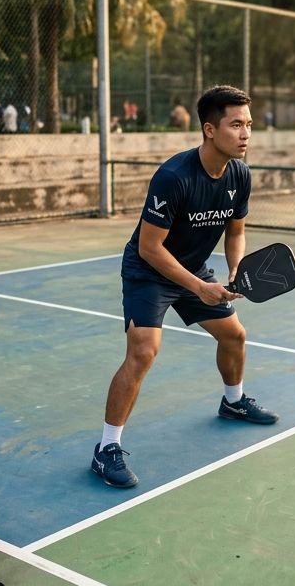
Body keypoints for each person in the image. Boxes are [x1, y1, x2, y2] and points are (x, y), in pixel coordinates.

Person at [93, 85, 278, 489]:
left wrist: (233, 270)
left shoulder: (240, 175)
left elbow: (236, 233)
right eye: (236, 125)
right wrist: (198, 287)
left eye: (249, 125)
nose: (246, 134)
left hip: (194, 268)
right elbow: (149, 247)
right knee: (144, 351)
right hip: (148, 271)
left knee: (235, 336)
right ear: (210, 129)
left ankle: (233, 403)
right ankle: (106, 449)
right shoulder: (173, 177)